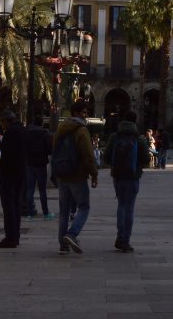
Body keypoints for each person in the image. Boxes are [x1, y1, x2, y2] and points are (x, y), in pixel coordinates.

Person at [52, 100, 98, 254]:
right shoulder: (82, 130)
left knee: (64, 211)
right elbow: (88, 154)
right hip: (77, 175)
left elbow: (54, 149)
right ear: (77, 113)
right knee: (84, 207)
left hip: (62, 174)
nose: (86, 115)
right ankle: (72, 234)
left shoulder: (61, 128)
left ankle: (63, 245)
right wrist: (94, 173)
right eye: (84, 112)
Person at [103, 111, 149, 252]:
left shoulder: (114, 136)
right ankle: (125, 240)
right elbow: (146, 160)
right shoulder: (139, 139)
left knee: (121, 205)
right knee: (129, 208)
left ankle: (120, 236)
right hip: (132, 176)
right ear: (135, 122)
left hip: (117, 176)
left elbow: (106, 157)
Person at [0, 110, 26, 249]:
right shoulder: (23, 131)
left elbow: (5, 155)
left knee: (8, 207)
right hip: (21, 173)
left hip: (8, 175)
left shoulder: (10, 133)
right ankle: (15, 236)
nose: (2, 126)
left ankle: (10, 238)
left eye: (2, 122)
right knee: (16, 206)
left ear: (7, 121)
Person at [24, 116, 53, 220]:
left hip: (30, 164)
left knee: (30, 189)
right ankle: (45, 213)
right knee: (42, 190)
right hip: (41, 164)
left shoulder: (27, 134)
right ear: (41, 124)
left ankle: (30, 213)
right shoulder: (45, 134)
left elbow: (24, 147)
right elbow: (49, 150)